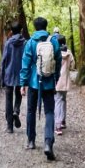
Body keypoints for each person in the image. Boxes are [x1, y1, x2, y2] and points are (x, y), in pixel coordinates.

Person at [20, 17, 62, 160]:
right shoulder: (53, 41)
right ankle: (48, 143)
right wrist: (56, 78)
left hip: (34, 83)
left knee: (31, 111)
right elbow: (58, 62)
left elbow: (25, 64)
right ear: (46, 26)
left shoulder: (30, 42)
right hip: (49, 83)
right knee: (50, 111)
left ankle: (31, 140)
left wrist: (23, 84)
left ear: (35, 27)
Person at [0, 21, 26, 133]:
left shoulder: (8, 43)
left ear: (11, 31)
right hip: (21, 73)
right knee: (19, 94)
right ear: (21, 31)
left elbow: (3, 61)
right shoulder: (25, 43)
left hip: (9, 74)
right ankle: (16, 111)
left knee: (8, 99)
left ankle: (9, 127)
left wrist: (2, 78)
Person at [54, 34, 75, 135]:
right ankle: (63, 120)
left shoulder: (55, 52)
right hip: (65, 81)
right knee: (63, 100)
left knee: (57, 101)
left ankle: (58, 126)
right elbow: (72, 66)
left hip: (57, 81)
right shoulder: (69, 53)